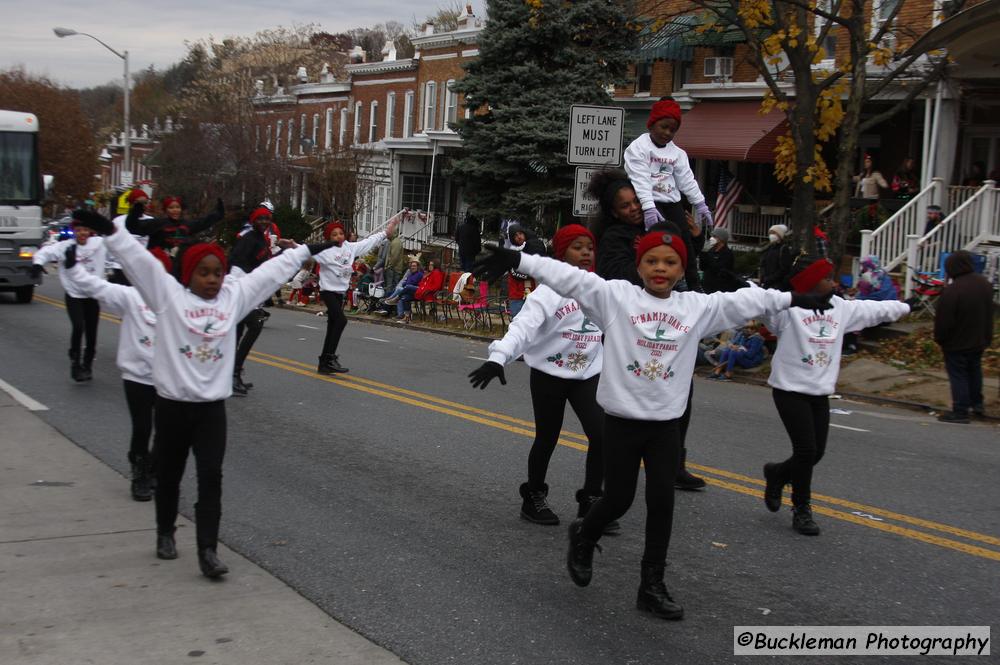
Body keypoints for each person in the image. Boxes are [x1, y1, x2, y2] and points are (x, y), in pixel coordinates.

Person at [472, 226, 833, 620]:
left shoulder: (696, 308)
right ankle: (584, 533)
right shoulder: (615, 298)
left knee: (662, 504)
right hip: (622, 423)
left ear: (681, 270)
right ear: (639, 266)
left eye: (670, 262)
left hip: (666, 427)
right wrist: (518, 260)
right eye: (652, 261)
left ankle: (651, 584)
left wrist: (796, 298)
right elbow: (567, 278)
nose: (660, 268)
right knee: (619, 499)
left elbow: (748, 299)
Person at [73, 206, 332, 578]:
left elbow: (269, 274)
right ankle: (165, 532)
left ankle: (207, 550)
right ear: (187, 274)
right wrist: (107, 230)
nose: (212, 279)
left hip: (211, 410)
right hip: (172, 406)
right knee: (170, 473)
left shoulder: (233, 297)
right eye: (203, 273)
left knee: (211, 477)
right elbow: (136, 261)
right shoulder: (167, 296)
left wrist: (305, 250)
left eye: (217, 273)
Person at [469, 225, 611, 529]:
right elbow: (521, 328)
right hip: (549, 374)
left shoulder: (602, 289)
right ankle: (533, 496)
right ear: (561, 254)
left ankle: (591, 500)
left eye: (590, 247)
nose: (586, 252)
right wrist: (498, 357)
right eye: (577, 247)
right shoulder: (547, 294)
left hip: (587, 372)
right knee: (548, 437)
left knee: (601, 436)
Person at [761, 256, 912, 536]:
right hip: (789, 390)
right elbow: (763, 304)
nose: (834, 281)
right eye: (826, 277)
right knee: (806, 451)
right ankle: (802, 509)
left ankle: (778, 474)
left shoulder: (840, 308)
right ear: (809, 282)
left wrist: (904, 306)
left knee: (816, 453)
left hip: (819, 392)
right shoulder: (787, 309)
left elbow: (872, 310)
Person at [589, 169, 706, 491]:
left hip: (671, 322)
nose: (633, 208)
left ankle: (674, 464)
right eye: (625, 205)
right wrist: (652, 263)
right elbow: (614, 278)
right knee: (627, 399)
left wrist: (692, 240)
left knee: (680, 392)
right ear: (614, 211)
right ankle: (604, 482)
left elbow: (687, 262)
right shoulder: (614, 239)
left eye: (635, 201)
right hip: (631, 326)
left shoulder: (661, 224)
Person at [62, 242, 173, 501]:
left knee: (166, 429)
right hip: (136, 377)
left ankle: (154, 468)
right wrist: (73, 268)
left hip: (167, 379)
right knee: (143, 428)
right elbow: (96, 287)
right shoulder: (131, 297)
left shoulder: (177, 302)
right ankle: (140, 473)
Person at [624, 97, 710, 291]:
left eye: (672, 130)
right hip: (649, 201)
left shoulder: (678, 153)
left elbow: (686, 179)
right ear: (652, 123)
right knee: (652, 241)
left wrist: (700, 203)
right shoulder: (639, 147)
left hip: (672, 202)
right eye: (664, 127)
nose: (667, 133)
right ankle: (642, 283)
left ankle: (693, 285)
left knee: (684, 241)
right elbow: (640, 178)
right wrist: (648, 207)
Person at [313, 213, 400, 373]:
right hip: (327, 291)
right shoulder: (324, 251)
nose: (338, 236)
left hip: (340, 292)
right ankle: (330, 357)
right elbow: (303, 251)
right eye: (334, 234)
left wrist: (385, 234)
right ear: (328, 237)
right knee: (341, 321)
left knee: (333, 326)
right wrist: (290, 247)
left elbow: (368, 243)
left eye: (340, 233)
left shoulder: (349, 247)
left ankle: (324, 363)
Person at [31, 216, 107, 381]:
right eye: (79, 230)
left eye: (85, 230)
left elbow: (119, 250)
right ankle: (75, 362)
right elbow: (46, 252)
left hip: (92, 294)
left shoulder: (100, 244)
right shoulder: (66, 247)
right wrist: (38, 264)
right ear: (74, 231)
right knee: (78, 326)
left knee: (92, 333)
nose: (82, 233)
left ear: (90, 231)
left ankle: (87, 365)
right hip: (73, 294)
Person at [934, 251, 993, 423]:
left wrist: (940, 339)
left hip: (956, 342)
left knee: (958, 375)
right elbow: (989, 313)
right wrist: (987, 336)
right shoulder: (984, 284)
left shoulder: (953, 290)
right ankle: (977, 404)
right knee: (975, 372)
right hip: (979, 339)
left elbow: (944, 320)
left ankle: (960, 411)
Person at [228, 206, 280, 395]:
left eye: (267, 219)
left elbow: (264, 262)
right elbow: (235, 263)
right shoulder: (248, 238)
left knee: (237, 332)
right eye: (260, 219)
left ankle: (231, 374)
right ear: (253, 220)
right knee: (255, 325)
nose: (264, 222)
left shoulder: (261, 239)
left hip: (248, 291)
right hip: (239, 289)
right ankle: (233, 373)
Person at [126, 195, 226, 269]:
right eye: (171, 207)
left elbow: (203, 222)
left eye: (177, 207)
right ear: (166, 210)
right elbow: (133, 227)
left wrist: (218, 214)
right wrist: (136, 211)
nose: (175, 210)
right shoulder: (157, 223)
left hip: (179, 266)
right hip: (158, 266)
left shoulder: (186, 224)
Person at [506, 223, 543, 318]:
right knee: (517, 320)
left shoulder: (531, 248)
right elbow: (514, 273)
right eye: (515, 236)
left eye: (520, 234)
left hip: (531, 294)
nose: (519, 237)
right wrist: (530, 274)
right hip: (516, 295)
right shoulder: (511, 252)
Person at [699, 227, 743, 294]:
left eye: (714, 236)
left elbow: (718, 269)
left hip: (720, 290)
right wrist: (703, 253)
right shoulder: (710, 251)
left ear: (721, 239)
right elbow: (702, 267)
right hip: (707, 288)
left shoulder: (727, 253)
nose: (711, 238)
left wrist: (708, 257)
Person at [403, 258, 445, 322]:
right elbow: (422, 283)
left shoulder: (437, 273)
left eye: (431, 265)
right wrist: (424, 281)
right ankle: (407, 317)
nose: (429, 266)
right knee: (405, 298)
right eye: (429, 265)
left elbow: (436, 286)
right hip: (422, 291)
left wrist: (425, 288)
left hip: (428, 294)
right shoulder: (431, 273)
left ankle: (397, 297)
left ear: (435, 265)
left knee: (408, 287)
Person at [759, 224, 794, 290]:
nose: (771, 235)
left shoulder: (783, 249)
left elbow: (784, 269)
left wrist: (770, 279)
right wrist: (763, 277)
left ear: (780, 235)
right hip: (767, 284)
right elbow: (763, 264)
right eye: (770, 233)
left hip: (777, 286)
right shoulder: (769, 248)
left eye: (774, 233)